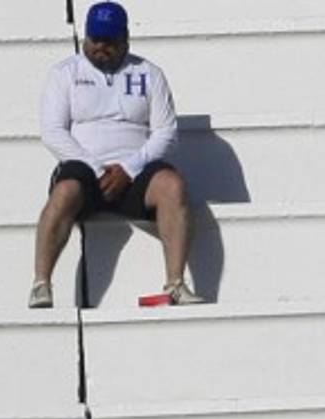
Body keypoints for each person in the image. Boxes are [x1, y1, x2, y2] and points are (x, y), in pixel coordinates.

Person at [30, 1, 205, 309]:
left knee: (172, 184)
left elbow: (166, 131)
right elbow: (54, 132)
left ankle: (175, 284)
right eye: (94, 39)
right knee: (65, 190)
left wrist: (129, 169)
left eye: (109, 41)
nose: (100, 47)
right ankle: (42, 283)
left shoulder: (150, 73)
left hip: (134, 172)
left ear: (125, 38)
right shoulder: (64, 73)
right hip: (85, 170)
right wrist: (98, 170)